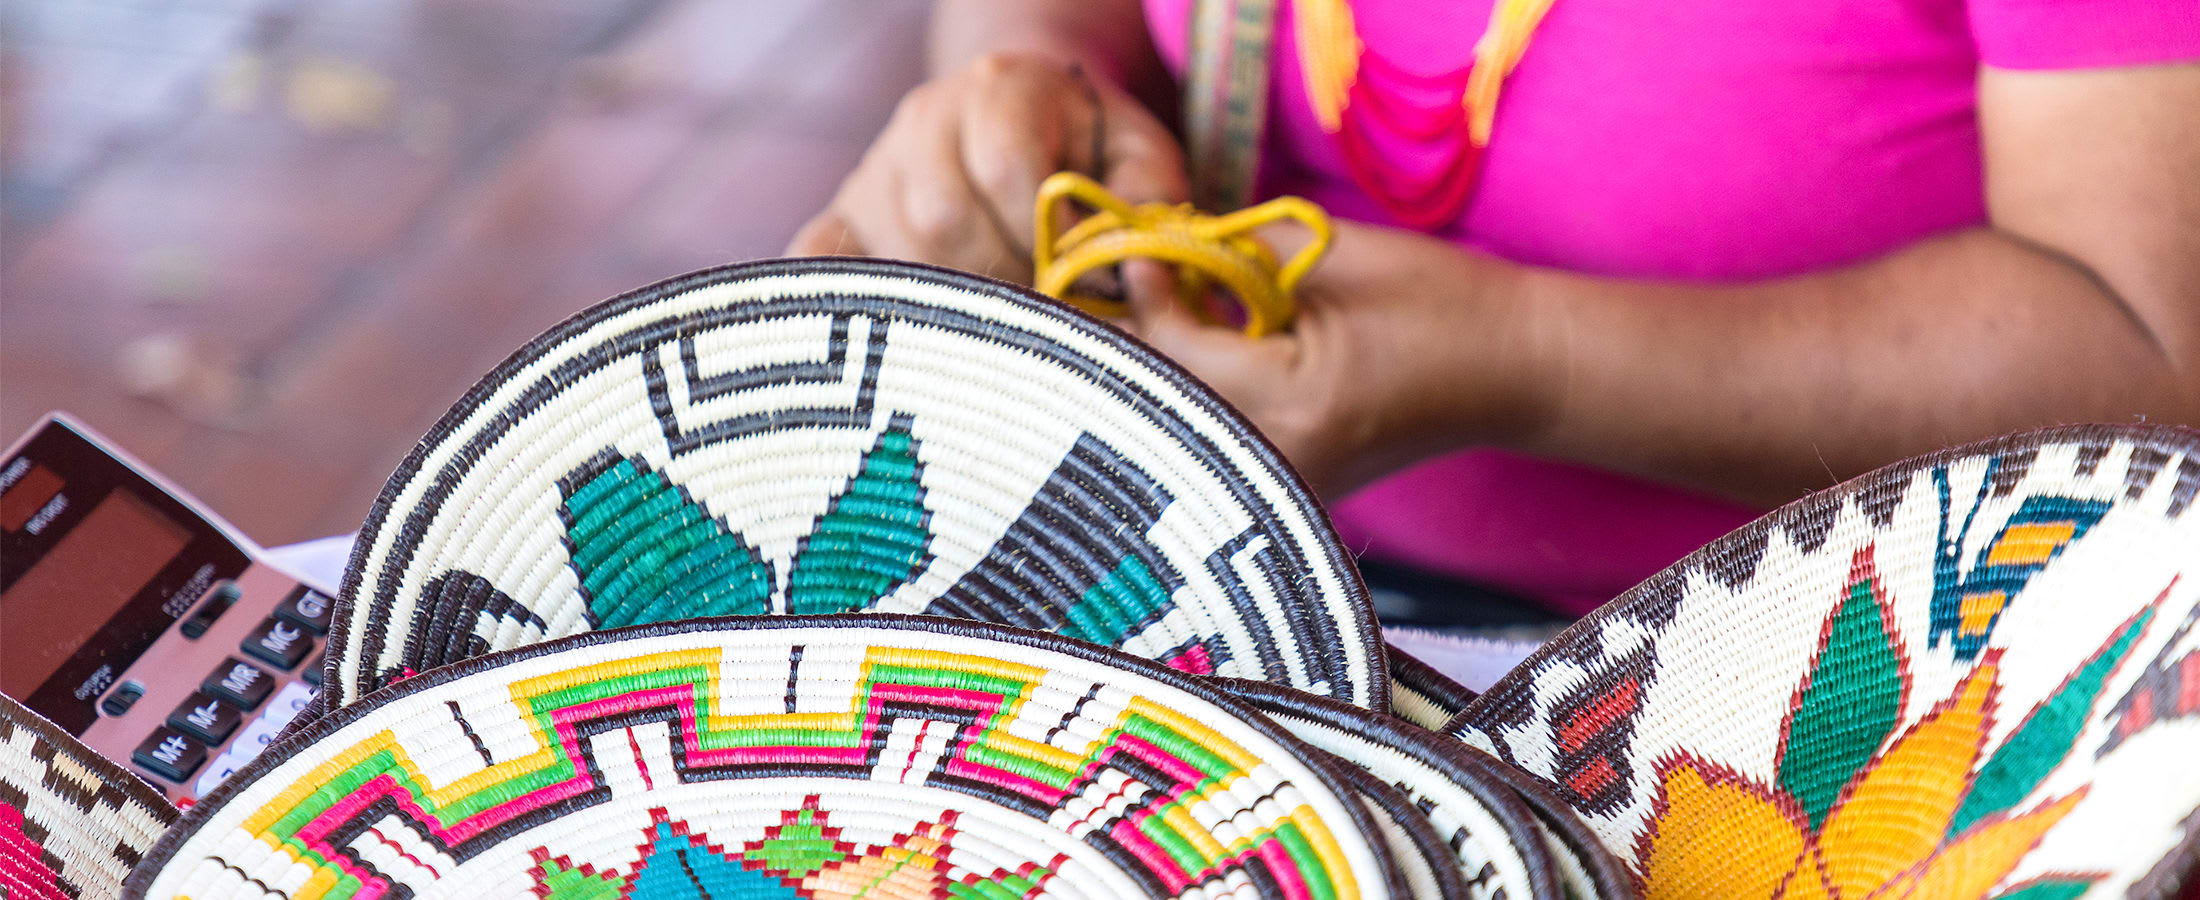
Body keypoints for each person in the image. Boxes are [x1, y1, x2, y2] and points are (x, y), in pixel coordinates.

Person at [789, 0, 2200, 617]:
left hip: (1865, 695)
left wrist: (1528, 360)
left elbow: (2154, 351)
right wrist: (1031, 88)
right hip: (1299, 606)